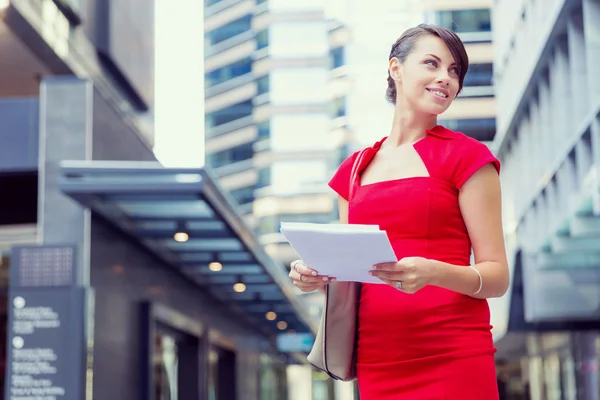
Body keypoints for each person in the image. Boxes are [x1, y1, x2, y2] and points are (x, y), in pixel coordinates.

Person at [288, 24, 509, 399]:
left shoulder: (469, 158)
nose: (446, 78)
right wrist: (313, 273)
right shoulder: (354, 169)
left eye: (455, 71)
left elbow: (497, 276)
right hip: (378, 357)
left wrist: (433, 271)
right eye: (432, 63)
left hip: (453, 353)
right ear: (396, 68)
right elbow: (350, 270)